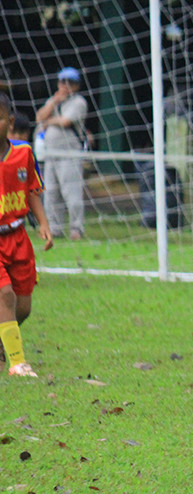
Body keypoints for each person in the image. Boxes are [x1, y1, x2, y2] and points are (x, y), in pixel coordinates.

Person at [0, 93, 54, 377]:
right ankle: (17, 363)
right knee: (4, 295)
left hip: (18, 235)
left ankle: (4, 340)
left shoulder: (23, 154)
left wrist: (43, 223)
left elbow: (32, 192)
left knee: (23, 307)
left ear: (9, 122)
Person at [35, 66, 88, 240]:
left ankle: (76, 229)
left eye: (70, 82)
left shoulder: (78, 102)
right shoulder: (53, 100)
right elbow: (38, 117)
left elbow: (65, 121)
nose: (65, 85)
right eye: (62, 81)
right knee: (50, 193)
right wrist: (53, 103)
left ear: (77, 85)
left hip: (69, 153)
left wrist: (48, 121)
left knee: (71, 192)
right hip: (50, 154)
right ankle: (54, 228)